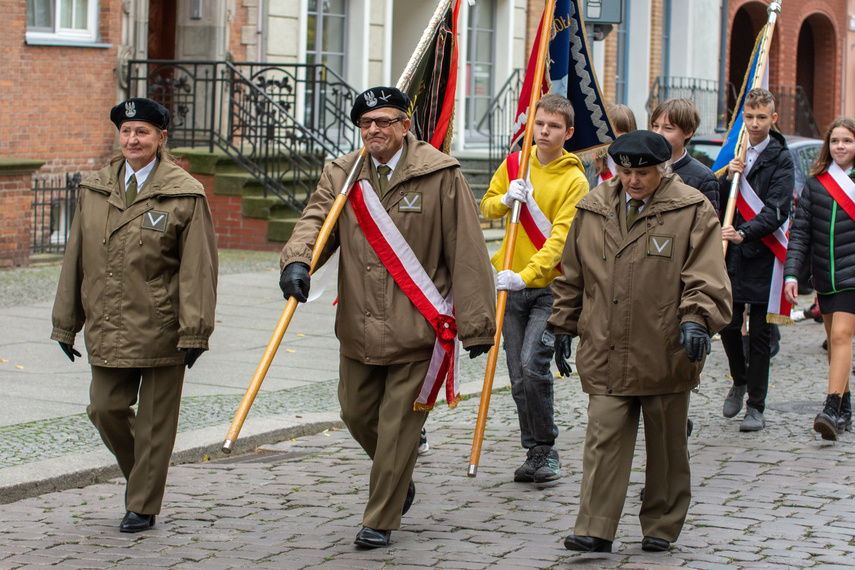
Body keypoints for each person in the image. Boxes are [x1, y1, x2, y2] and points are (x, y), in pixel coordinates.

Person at [278, 86, 496, 549]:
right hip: (357, 323)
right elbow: (315, 222)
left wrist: (478, 323)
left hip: (420, 328)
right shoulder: (343, 172)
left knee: (398, 427)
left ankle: (379, 519)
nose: (373, 130)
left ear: (405, 125)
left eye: (383, 122)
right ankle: (397, 478)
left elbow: (468, 250)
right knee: (355, 413)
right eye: (365, 124)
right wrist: (297, 261)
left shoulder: (441, 174)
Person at [549, 130, 732, 553]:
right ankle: (595, 527)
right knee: (603, 437)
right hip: (605, 342)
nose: (632, 180)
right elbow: (573, 273)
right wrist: (562, 323)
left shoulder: (691, 209)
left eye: (643, 173)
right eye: (625, 171)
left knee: (666, 446)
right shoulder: (592, 208)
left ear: (662, 169)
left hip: (665, 345)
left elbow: (706, 273)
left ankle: (662, 525)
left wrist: (697, 320)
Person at [51, 98, 218, 533]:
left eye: (142, 132)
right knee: (104, 408)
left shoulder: (185, 193)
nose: (132, 140)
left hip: (164, 328)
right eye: (126, 132)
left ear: (161, 138)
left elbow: (198, 268)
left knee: (155, 425)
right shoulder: (95, 188)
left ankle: (142, 505)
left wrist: (195, 331)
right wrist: (66, 324)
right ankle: (142, 481)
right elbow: (75, 258)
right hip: (108, 323)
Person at [479, 93, 588, 484]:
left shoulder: (575, 181)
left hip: (548, 288)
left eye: (554, 126)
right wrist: (507, 198)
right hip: (509, 287)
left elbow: (560, 240)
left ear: (568, 132)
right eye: (540, 123)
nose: (544, 131)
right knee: (516, 372)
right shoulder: (515, 164)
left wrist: (526, 275)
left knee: (532, 364)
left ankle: (546, 448)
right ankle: (533, 450)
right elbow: (487, 207)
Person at [719, 88, 795, 432]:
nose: (754, 123)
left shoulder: (781, 157)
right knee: (728, 324)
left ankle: (756, 406)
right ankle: (740, 378)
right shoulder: (736, 151)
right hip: (733, 256)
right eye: (749, 117)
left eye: (761, 117)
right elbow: (721, 201)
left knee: (762, 334)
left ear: (773, 119)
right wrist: (727, 175)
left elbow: (778, 208)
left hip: (765, 253)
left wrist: (746, 232)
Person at [784, 116, 855, 440]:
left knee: (840, 336)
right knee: (835, 344)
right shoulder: (815, 184)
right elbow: (799, 235)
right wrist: (791, 275)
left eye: (848, 140)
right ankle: (846, 405)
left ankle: (829, 407)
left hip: (853, 276)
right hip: (824, 277)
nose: (841, 146)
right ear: (828, 145)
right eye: (836, 140)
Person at [650, 98, 720, 212]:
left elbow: (707, 225)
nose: (658, 133)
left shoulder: (703, 178)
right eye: (655, 126)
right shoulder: (644, 167)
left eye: (668, 128)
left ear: (688, 132)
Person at [585, 104, 637, 189]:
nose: (615, 136)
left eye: (621, 131)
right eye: (612, 131)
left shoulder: (638, 163)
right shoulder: (591, 162)